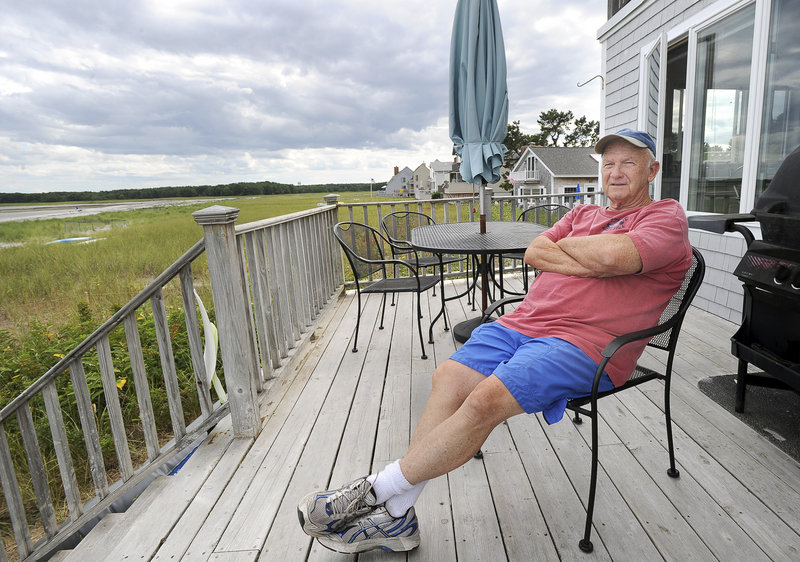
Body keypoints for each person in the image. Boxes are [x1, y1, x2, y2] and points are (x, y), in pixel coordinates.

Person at [297, 129, 693, 554]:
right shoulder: (582, 214)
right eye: (609, 163)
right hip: (524, 323)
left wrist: (590, 256)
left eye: (629, 163)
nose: (615, 172)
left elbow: (615, 257)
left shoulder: (666, 218)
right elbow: (535, 252)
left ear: (652, 170)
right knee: (447, 377)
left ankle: (374, 490)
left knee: (485, 399)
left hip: (588, 345)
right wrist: (593, 263)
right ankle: (398, 517)